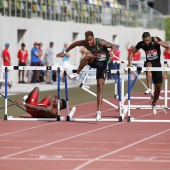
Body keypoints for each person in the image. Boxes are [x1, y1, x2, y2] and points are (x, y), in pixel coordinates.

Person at [56, 30, 116, 121]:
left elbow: (113, 45)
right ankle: (76, 74)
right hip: (94, 61)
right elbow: (75, 44)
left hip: (103, 64)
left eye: (90, 40)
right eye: (87, 41)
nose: (89, 42)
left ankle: (98, 112)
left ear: (93, 38)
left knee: (99, 87)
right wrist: (64, 52)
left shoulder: (100, 42)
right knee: (88, 56)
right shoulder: (85, 43)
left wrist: (112, 52)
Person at [128, 32, 169, 115]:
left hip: (157, 65)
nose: (146, 42)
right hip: (149, 63)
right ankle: (150, 88)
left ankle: (153, 103)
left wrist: (158, 42)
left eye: (147, 40)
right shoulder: (141, 44)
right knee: (148, 66)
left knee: (158, 87)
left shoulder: (155, 39)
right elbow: (132, 52)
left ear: (150, 38)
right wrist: (129, 63)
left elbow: (167, 46)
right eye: (144, 41)